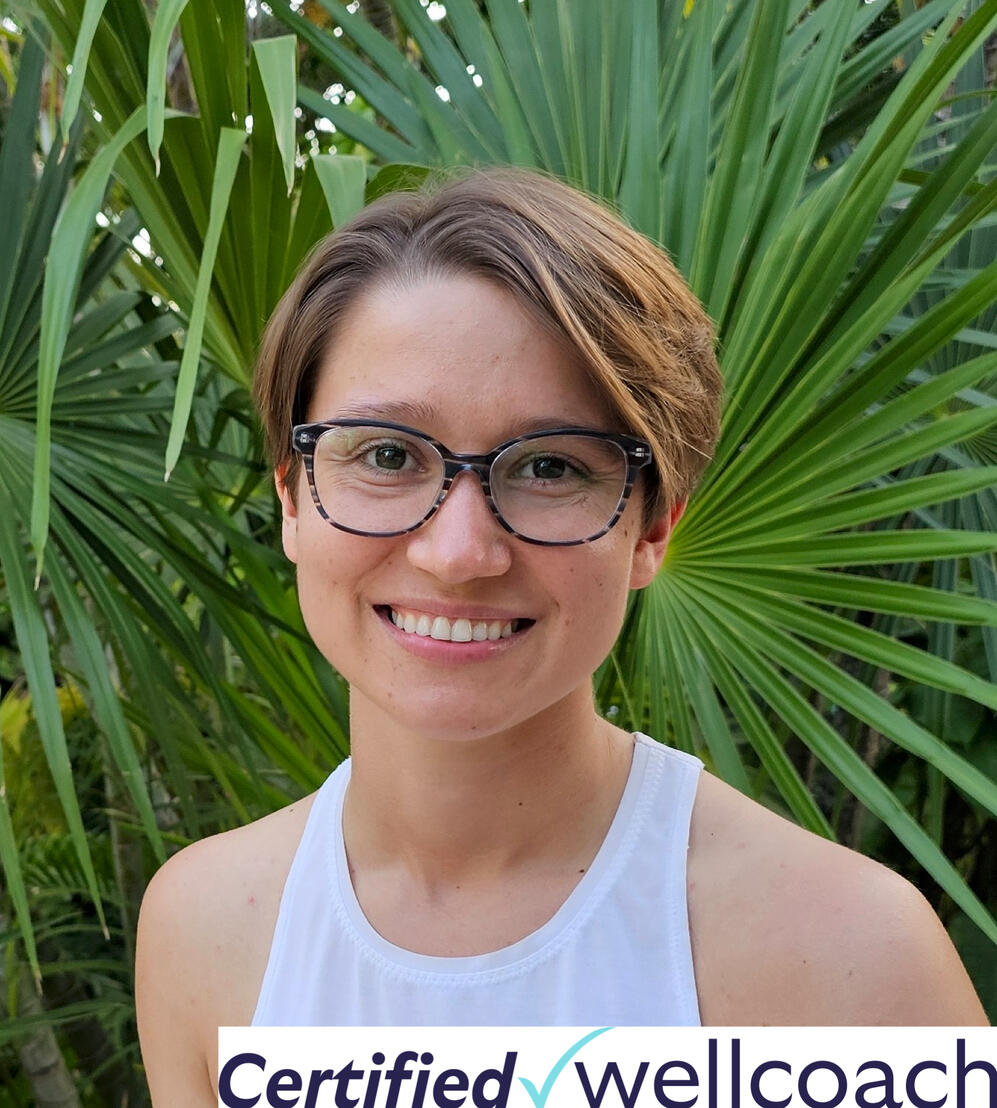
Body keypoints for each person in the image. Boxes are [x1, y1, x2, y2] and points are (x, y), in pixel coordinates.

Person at [135, 167, 988, 1106]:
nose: (458, 552)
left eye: (548, 466)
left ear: (651, 527)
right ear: (293, 495)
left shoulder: (846, 959)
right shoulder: (207, 931)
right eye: (385, 454)